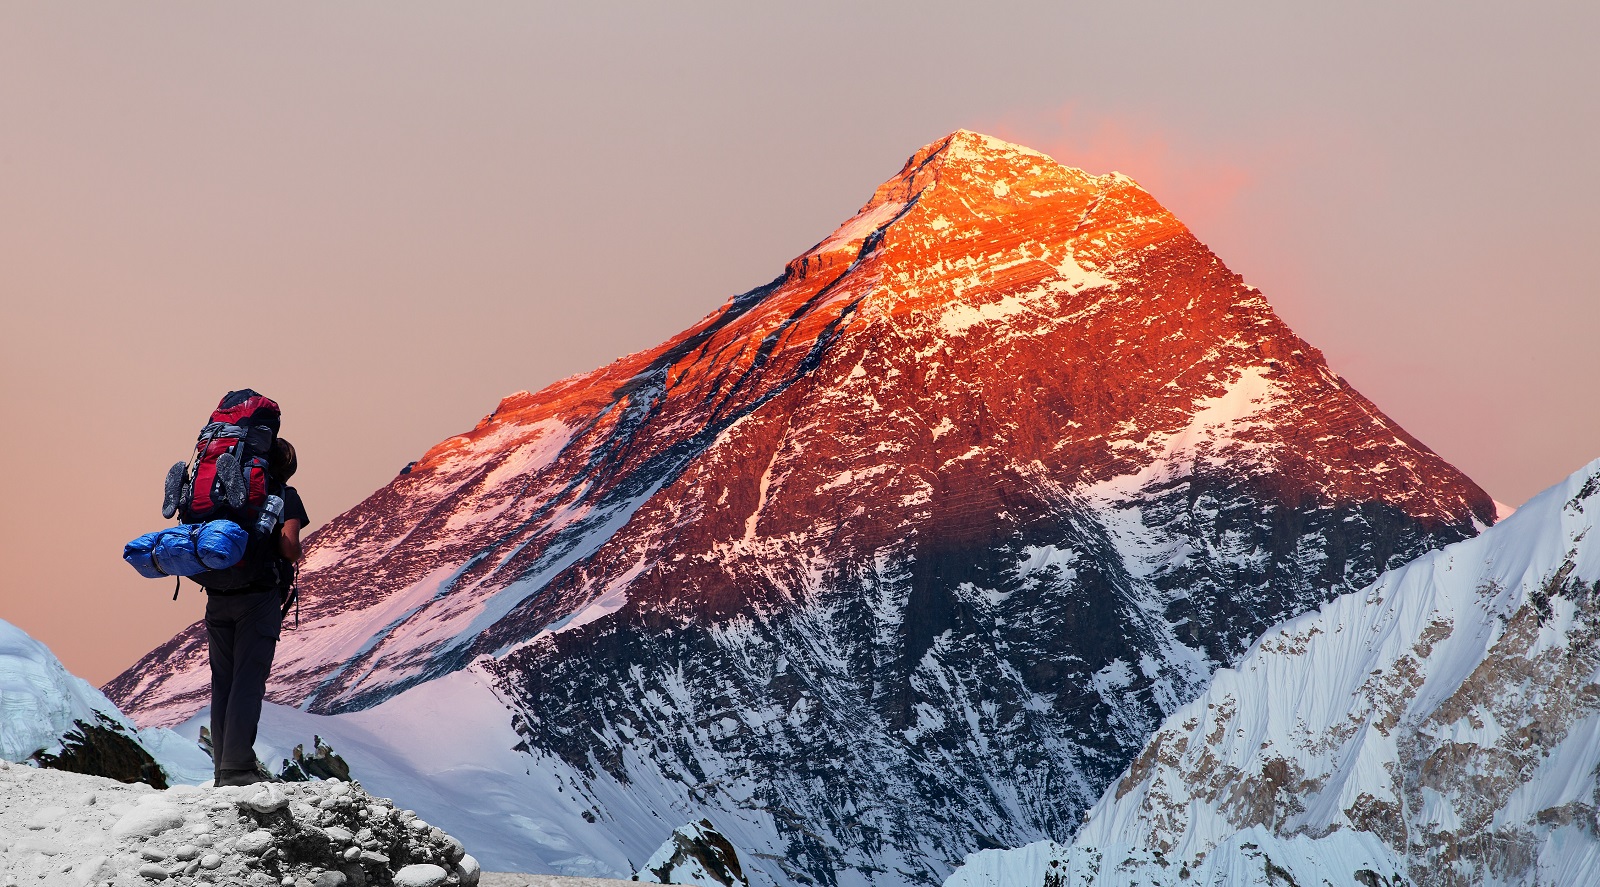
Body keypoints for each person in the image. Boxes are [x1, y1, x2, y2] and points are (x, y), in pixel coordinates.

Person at [204, 437, 309, 786]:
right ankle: (237, 769)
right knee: (247, 682)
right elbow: (290, 548)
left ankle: (223, 768)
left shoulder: (225, 492)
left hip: (218, 594)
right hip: (259, 598)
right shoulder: (284, 494)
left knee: (224, 682)